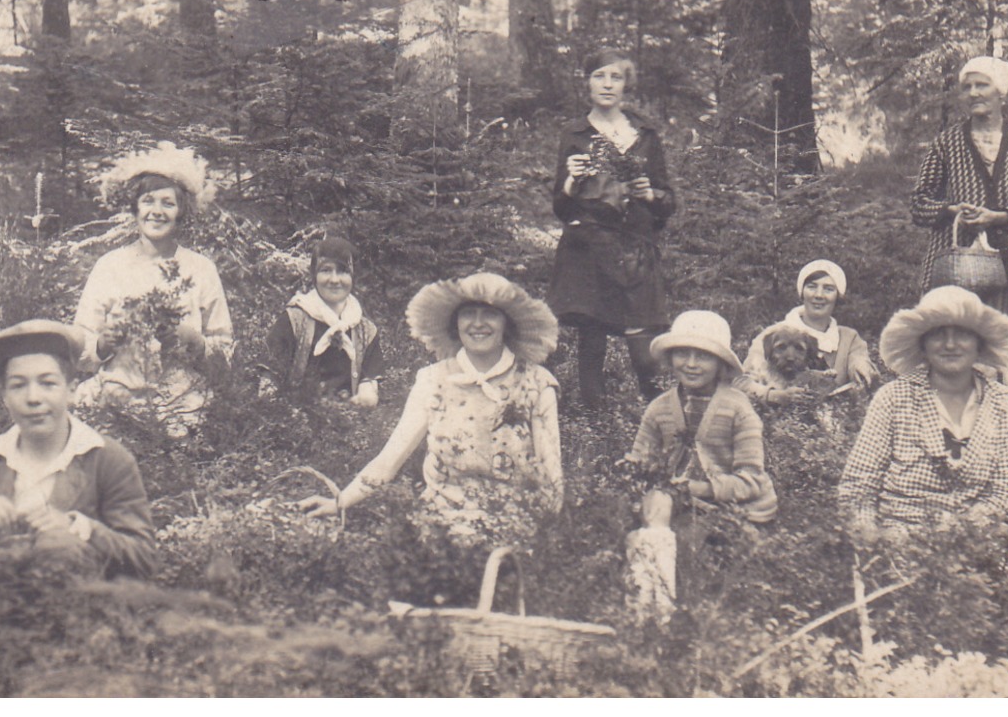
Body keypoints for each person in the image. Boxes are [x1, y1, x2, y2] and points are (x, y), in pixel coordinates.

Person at [299, 272, 562, 547]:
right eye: (468, 313)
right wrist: (340, 501)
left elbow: (552, 481)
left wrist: (542, 551)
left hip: (513, 538)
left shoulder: (536, 384)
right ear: (455, 323)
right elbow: (389, 460)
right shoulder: (432, 380)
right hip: (439, 534)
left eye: (490, 314)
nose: (478, 324)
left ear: (507, 323)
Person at [0, 320, 158, 578]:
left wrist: (82, 528)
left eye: (48, 383)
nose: (33, 398)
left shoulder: (107, 458)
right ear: (5, 397)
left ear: (71, 390)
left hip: (80, 610)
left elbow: (143, 558)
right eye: (18, 385)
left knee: (61, 543)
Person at [911, 56, 1008, 400]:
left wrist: (999, 217)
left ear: (1000, 92)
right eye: (968, 87)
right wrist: (949, 210)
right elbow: (918, 205)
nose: (974, 93)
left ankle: (1007, 420)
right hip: (957, 263)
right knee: (954, 337)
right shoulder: (948, 142)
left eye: (982, 85)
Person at [838, 287, 1008, 538]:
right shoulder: (894, 398)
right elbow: (859, 484)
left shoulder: (1004, 404)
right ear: (923, 345)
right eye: (938, 334)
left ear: (979, 344)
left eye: (962, 334)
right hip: (897, 536)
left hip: (973, 538)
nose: (950, 344)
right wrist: (870, 539)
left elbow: (1003, 490)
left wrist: (962, 534)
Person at [73, 142, 233, 433]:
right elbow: (80, 347)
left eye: (167, 203)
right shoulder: (110, 265)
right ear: (135, 207)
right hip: (116, 396)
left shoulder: (200, 269)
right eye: (148, 201)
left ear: (181, 212)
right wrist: (103, 343)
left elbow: (224, 353)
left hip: (183, 403)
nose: (156, 212)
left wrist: (193, 340)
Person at [547, 48, 675, 408]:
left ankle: (659, 416)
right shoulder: (574, 134)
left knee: (645, 343)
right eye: (599, 76)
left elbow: (669, 202)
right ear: (587, 83)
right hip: (587, 247)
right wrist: (572, 180)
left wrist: (649, 193)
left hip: (635, 247)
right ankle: (595, 422)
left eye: (615, 77)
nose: (607, 84)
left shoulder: (645, 134)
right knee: (592, 338)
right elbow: (560, 205)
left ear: (626, 83)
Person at [624, 310, 778, 525]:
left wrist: (700, 488)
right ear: (670, 357)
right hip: (680, 503)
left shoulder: (738, 409)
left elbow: (752, 481)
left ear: (720, 363)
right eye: (682, 354)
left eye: (703, 356)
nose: (691, 364)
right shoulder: (659, 409)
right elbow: (639, 465)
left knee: (699, 536)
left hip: (739, 509)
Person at [738, 260, 878, 406]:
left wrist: (861, 367)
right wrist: (774, 396)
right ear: (802, 292)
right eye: (812, 287)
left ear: (838, 296)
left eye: (828, 289)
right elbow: (740, 382)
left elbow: (860, 360)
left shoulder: (849, 338)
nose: (819, 295)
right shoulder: (772, 334)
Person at [265, 236, 383, 405]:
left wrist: (365, 397)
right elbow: (269, 381)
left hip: (349, 420)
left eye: (343, 271)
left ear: (353, 277)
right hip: (299, 420)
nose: (334, 280)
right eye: (326, 270)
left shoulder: (366, 330)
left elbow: (369, 384)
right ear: (314, 275)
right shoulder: (293, 320)